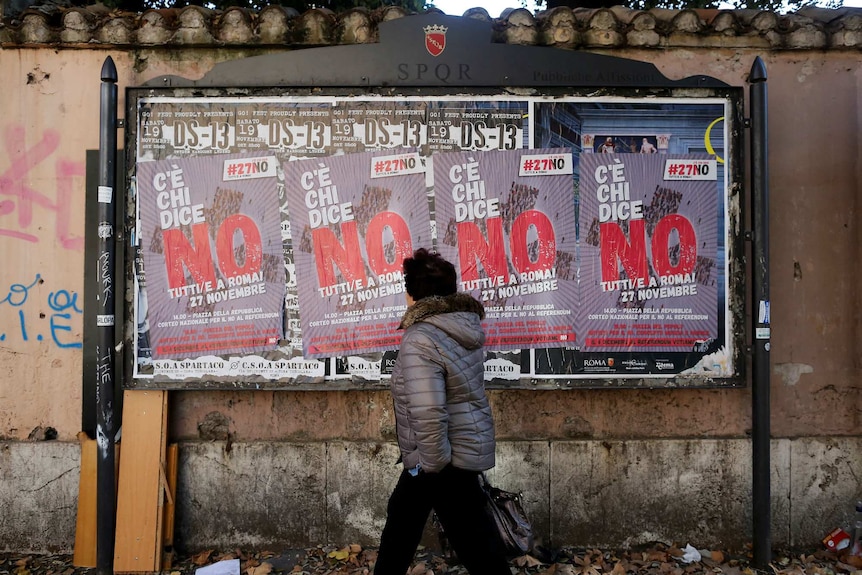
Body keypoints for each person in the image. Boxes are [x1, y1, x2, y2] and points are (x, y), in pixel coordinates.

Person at [374, 248, 511, 575]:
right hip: (452, 454)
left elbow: (429, 410)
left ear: (413, 293)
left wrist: (430, 468)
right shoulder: (461, 328)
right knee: (405, 523)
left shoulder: (421, 337)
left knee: (474, 543)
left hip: (439, 460)